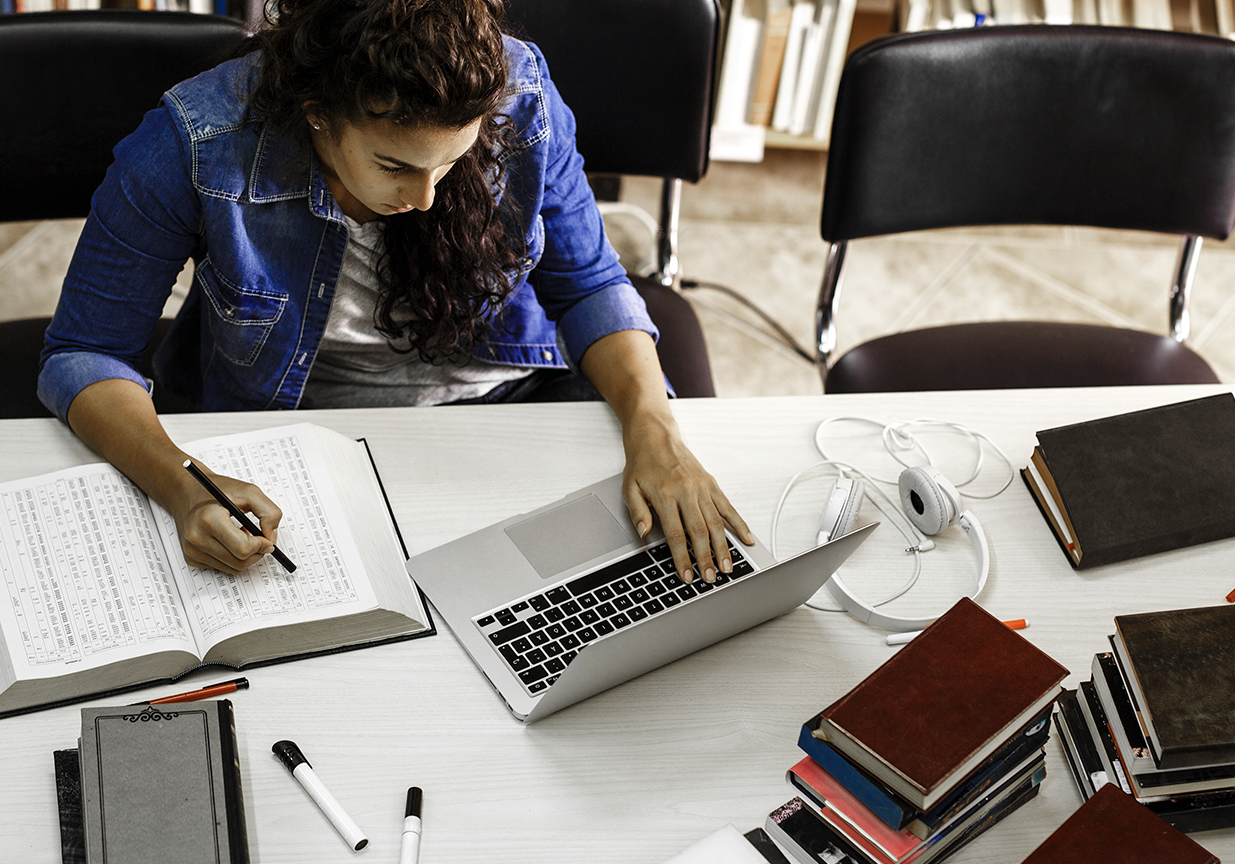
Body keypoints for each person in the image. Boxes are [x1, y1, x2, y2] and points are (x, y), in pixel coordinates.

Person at [39, 0, 752, 583]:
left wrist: (655, 432)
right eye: (395, 165)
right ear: (319, 112)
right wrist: (183, 485)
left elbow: (589, 284)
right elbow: (84, 353)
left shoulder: (521, 94)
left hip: (505, 413)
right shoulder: (197, 141)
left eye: (453, 161)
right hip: (296, 442)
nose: (426, 196)